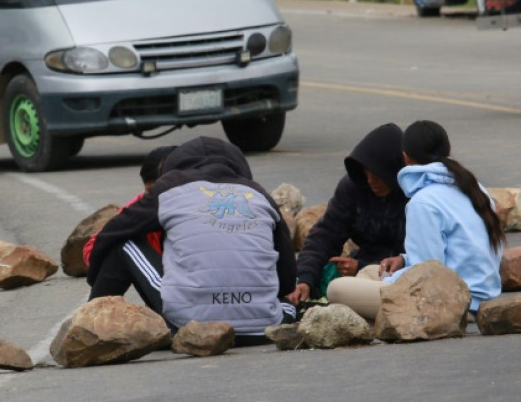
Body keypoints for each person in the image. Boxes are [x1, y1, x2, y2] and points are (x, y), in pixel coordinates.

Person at [87, 136, 297, 345]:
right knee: (286, 304)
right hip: (262, 330)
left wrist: (94, 279)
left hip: (190, 326)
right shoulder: (259, 194)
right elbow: (287, 279)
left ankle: (90, 326)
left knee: (124, 244)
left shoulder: (170, 187)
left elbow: (110, 233)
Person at [328, 120, 505, 319]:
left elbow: (427, 274)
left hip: (449, 304)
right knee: (370, 271)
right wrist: (403, 260)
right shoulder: (475, 188)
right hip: (484, 298)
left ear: (405, 157)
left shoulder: (423, 202)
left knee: (336, 289)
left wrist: (393, 280)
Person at [286, 123, 408, 307]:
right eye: (366, 173)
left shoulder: (414, 196)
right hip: (366, 268)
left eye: (377, 174)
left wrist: (362, 266)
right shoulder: (354, 187)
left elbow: (416, 255)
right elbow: (325, 235)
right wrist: (304, 279)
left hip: (403, 273)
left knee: (338, 291)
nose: (370, 181)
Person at [82, 145, 176, 272]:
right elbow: (92, 248)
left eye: (161, 191)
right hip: (162, 278)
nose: (154, 198)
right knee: (119, 245)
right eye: (150, 192)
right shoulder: (141, 206)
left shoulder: (205, 207)